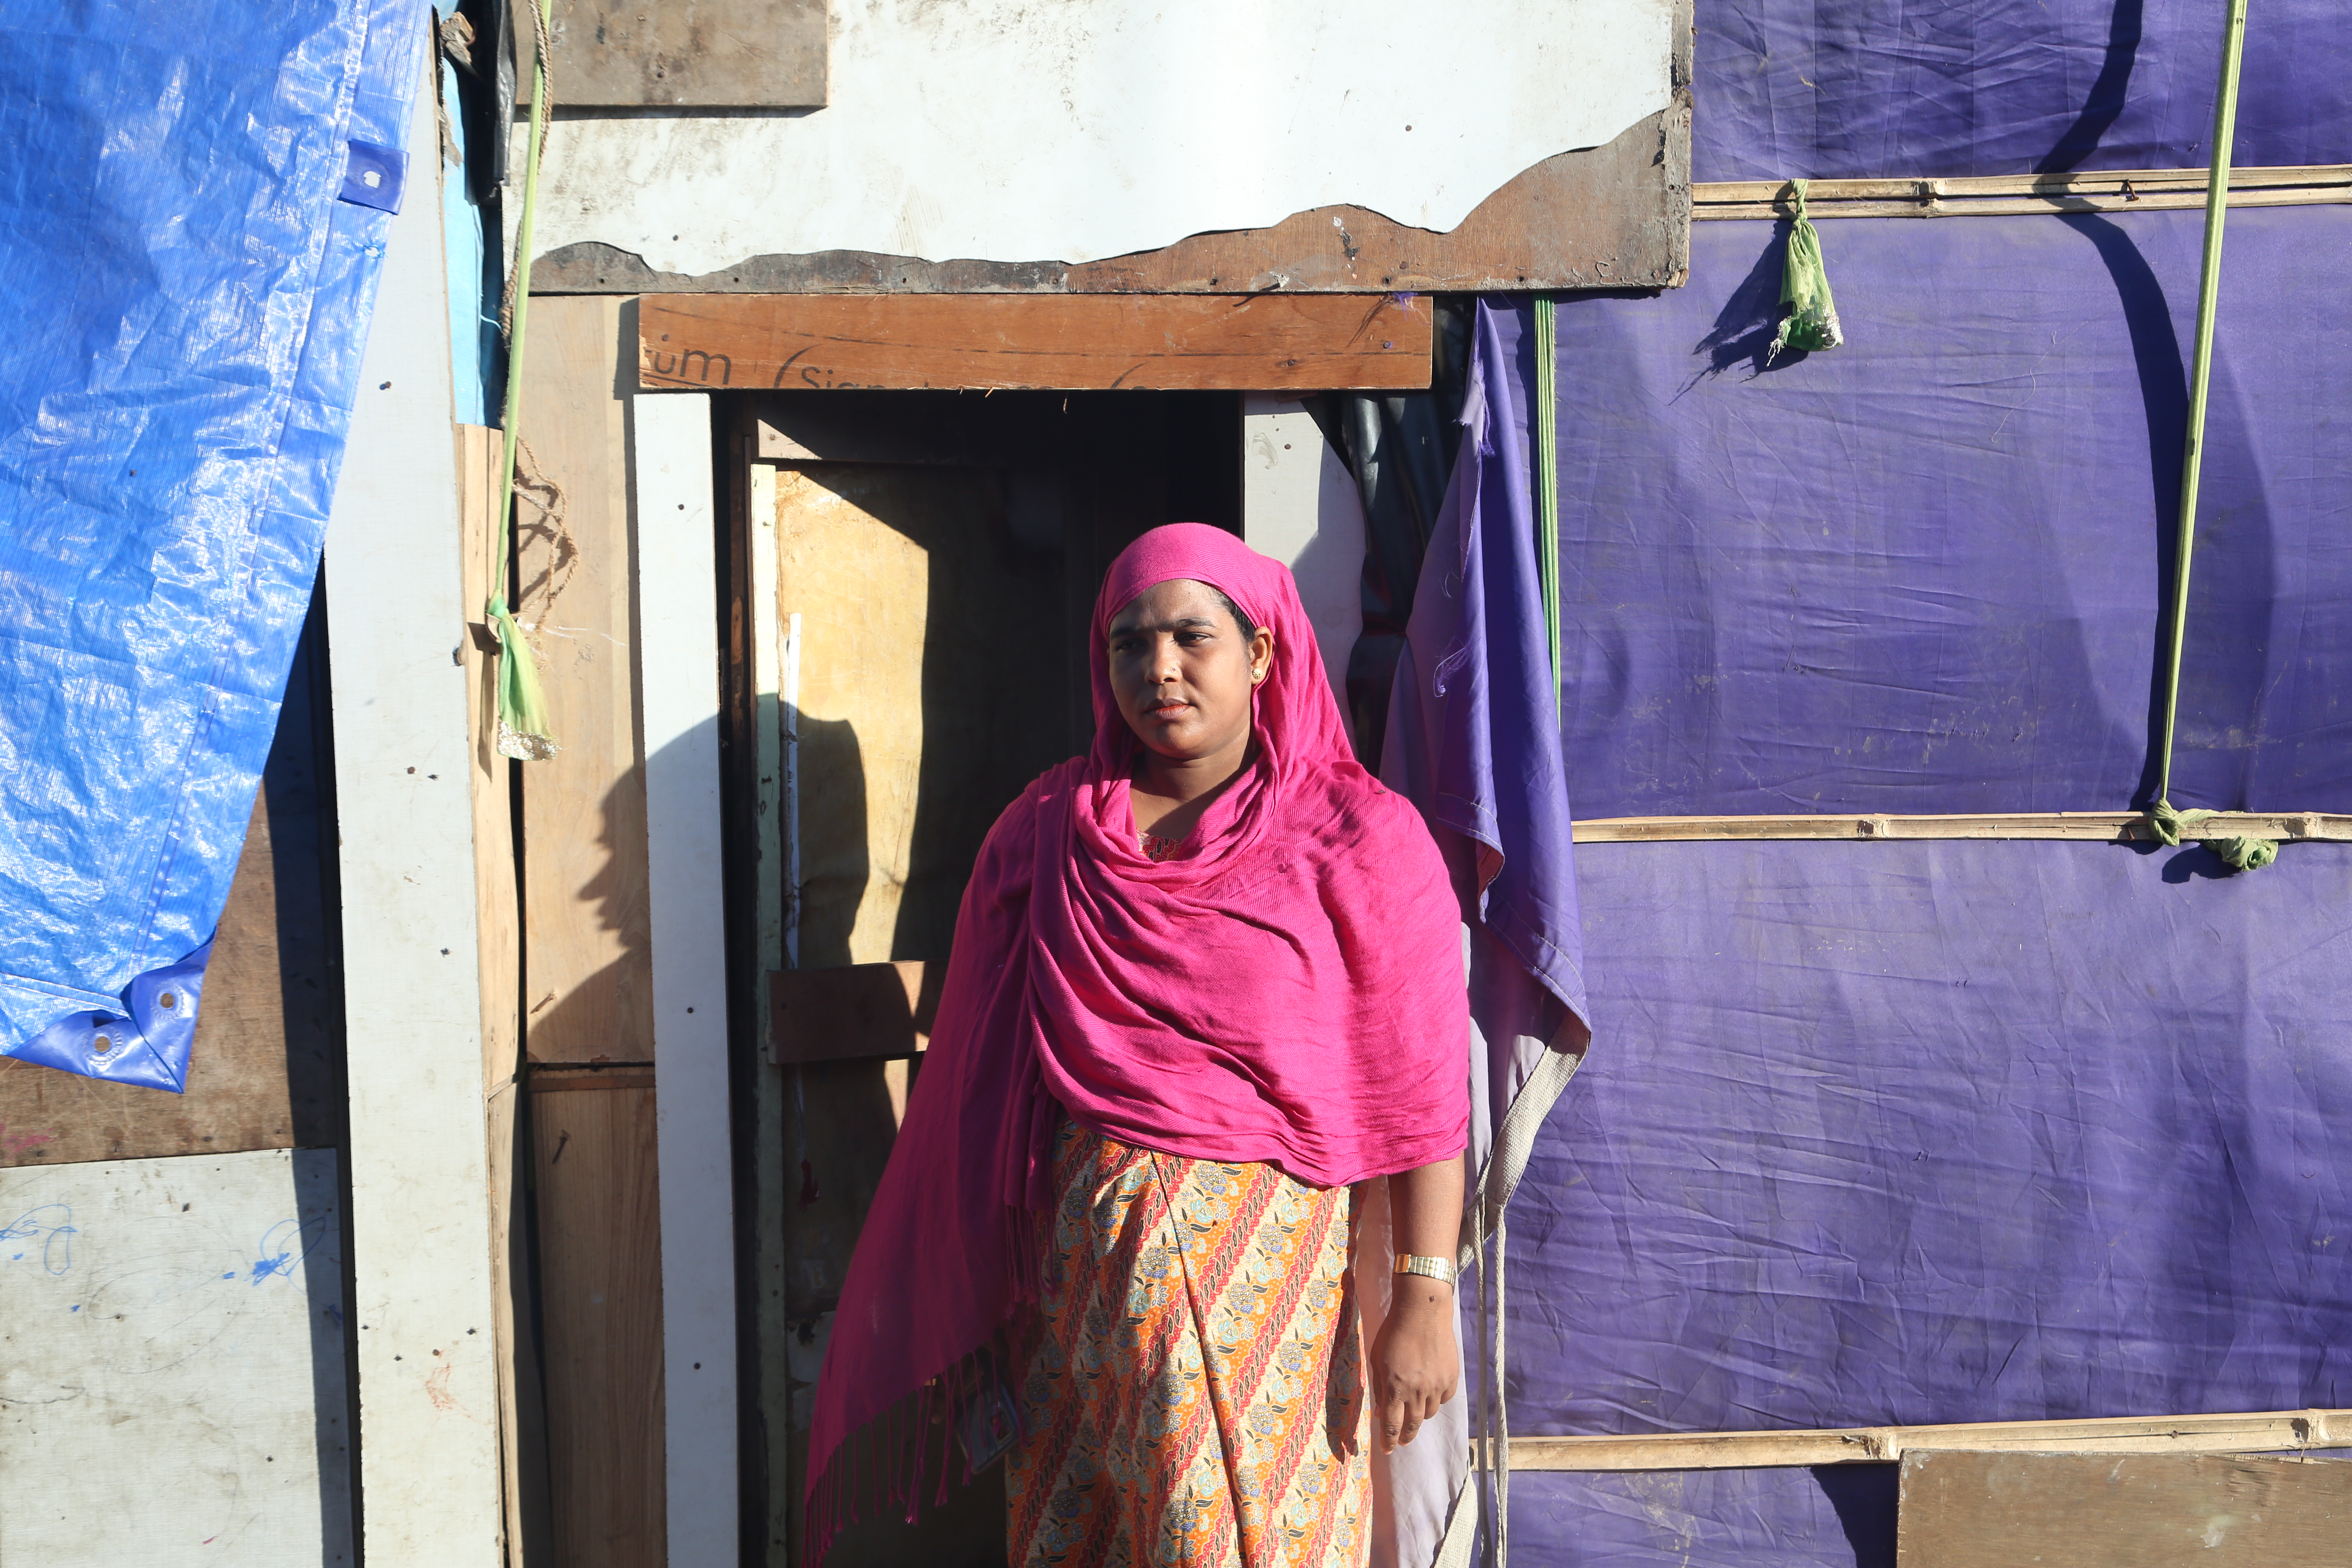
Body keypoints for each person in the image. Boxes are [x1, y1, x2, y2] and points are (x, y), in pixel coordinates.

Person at [807, 523, 1471, 1568]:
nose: (1159, 668)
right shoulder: (1047, 831)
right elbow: (989, 1081)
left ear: (1260, 653)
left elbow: (1425, 1085)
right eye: (1130, 643)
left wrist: (1426, 1300)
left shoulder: (1356, 834)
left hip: (1263, 1290)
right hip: (1080, 1293)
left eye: (1192, 637)